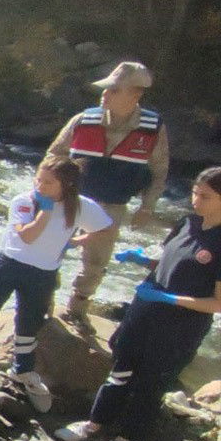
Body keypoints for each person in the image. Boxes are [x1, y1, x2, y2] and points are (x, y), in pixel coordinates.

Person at [55, 167, 221, 441]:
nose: (195, 200)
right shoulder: (187, 222)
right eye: (195, 192)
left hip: (180, 325)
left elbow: (217, 303)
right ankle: (94, 423)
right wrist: (142, 259)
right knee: (120, 369)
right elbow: (170, 257)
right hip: (145, 309)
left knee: (150, 383)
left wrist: (171, 299)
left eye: (205, 196)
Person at [0, 157, 113, 411]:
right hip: (8, 266)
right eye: (38, 179)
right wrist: (45, 210)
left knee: (29, 323)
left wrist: (76, 240)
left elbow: (106, 228)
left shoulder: (79, 206)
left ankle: (22, 370)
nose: (40, 185)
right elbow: (29, 236)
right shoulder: (24, 201)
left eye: (47, 182)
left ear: (65, 184)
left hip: (42, 273)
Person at [45, 61, 169, 326]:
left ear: (135, 95)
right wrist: (45, 191)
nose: (104, 94)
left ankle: (77, 308)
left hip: (113, 203)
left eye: (113, 90)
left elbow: (159, 170)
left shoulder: (152, 128)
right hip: (70, 199)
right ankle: (44, 302)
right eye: (106, 89)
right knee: (51, 248)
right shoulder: (83, 119)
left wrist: (147, 206)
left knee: (96, 261)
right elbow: (54, 155)